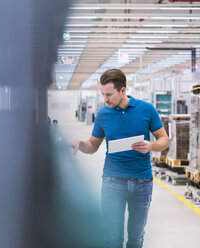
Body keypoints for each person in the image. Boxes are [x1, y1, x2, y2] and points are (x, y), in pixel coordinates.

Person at [70, 69, 169, 248]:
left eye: (109, 94)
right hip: (112, 181)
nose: (105, 99)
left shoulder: (146, 109)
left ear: (123, 90)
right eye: (103, 95)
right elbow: (93, 145)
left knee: (136, 238)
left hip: (142, 181)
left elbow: (164, 140)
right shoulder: (103, 115)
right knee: (111, 238)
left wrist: (151, 146)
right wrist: (80, 144)